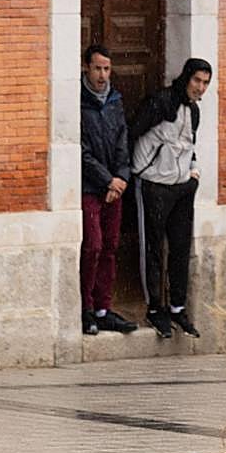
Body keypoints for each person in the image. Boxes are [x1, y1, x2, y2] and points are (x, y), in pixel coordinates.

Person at [131, 57, 212, 339]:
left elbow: (189, 144)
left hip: (181, 187)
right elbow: (133, 132)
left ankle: (178, 307)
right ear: (186, 78)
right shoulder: (161, 102)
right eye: (196, 81)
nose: (200, 88)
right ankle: (155, 309)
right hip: (152, 184)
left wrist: (193, 172)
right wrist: (138, 170)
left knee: (179, 248)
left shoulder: (195, 111)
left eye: (205, 83)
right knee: (152, 249)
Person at [79, 44, 136, 336]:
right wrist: (106, 180)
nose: (102, 75)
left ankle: (104, 308)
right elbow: (81, 150)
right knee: (93, 247)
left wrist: (122, 177)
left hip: (115, 188)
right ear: (86, 68)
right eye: (97, 68)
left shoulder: (115, 101)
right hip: (91, 187)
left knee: (111, 248)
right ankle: (86, 309)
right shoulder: (79, 102)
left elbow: (122, 141)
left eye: (106, 69)